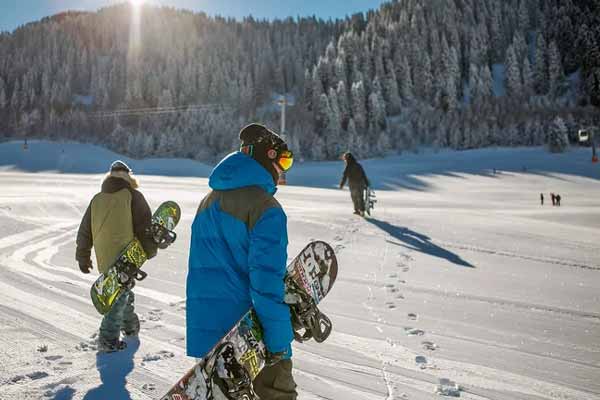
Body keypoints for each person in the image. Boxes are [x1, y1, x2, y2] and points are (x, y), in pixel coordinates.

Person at [187, 123, 297, 399]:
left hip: (209, 335)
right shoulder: (265, 208)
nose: (283, 169)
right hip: (251, 337)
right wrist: (279, 342)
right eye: (284, 160)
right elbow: (266, 282)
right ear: (266, 157)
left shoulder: (207, 202)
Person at [76, 161, 157, 352]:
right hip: (126, 256)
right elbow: (145, 227)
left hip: (104, 256)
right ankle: (107, 339)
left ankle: (130, 327)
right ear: (129, 177)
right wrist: (150, 250)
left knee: (122, 291)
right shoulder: (133, 196)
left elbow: (85, 231)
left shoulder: (97, 199)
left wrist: (83, 255)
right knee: (118, 297)